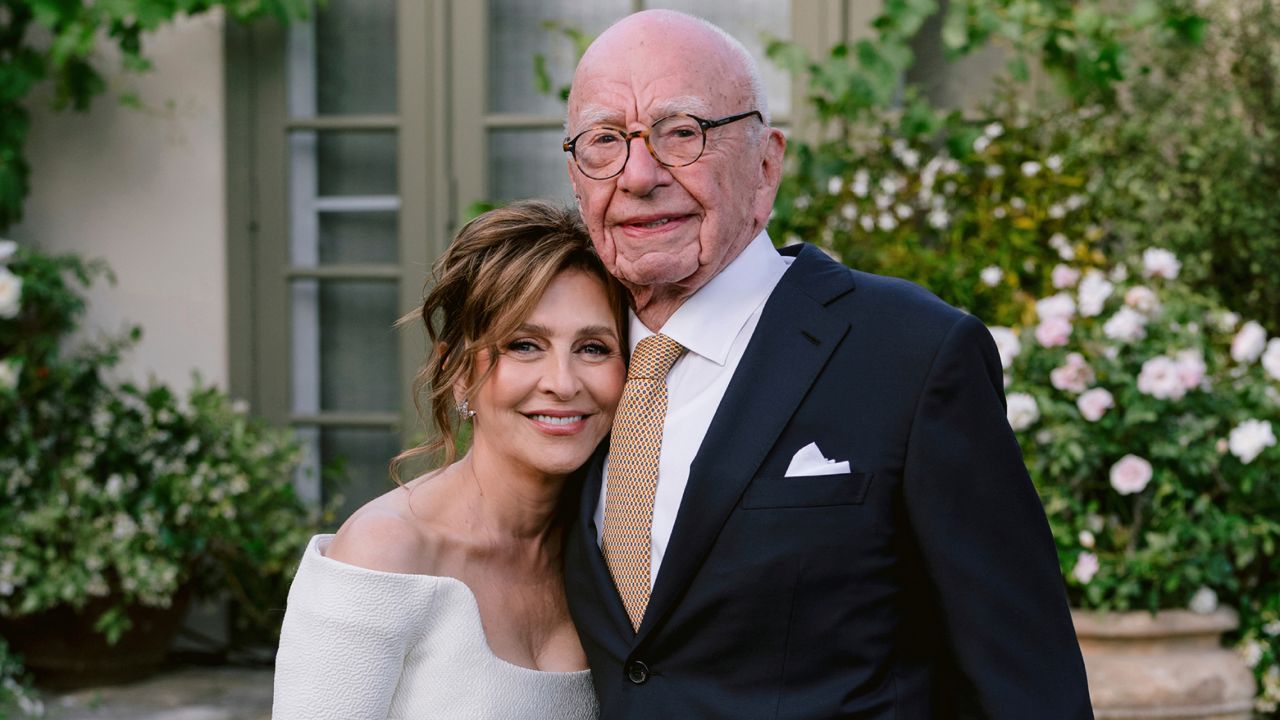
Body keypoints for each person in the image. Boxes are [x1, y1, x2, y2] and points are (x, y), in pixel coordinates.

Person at [560, 10, 1094, 719]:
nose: (639, 174)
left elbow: (1027, 689)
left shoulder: (912, 354)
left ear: (767, 162)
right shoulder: (561, 372)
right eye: (605, 142)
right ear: (575, 175)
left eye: (681, 133)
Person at [272, 201, 626, 720]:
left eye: (593, 348)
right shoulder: (385, 551)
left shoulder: (615, 549)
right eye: (524, 345)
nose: (563, 382)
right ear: (458, 371)